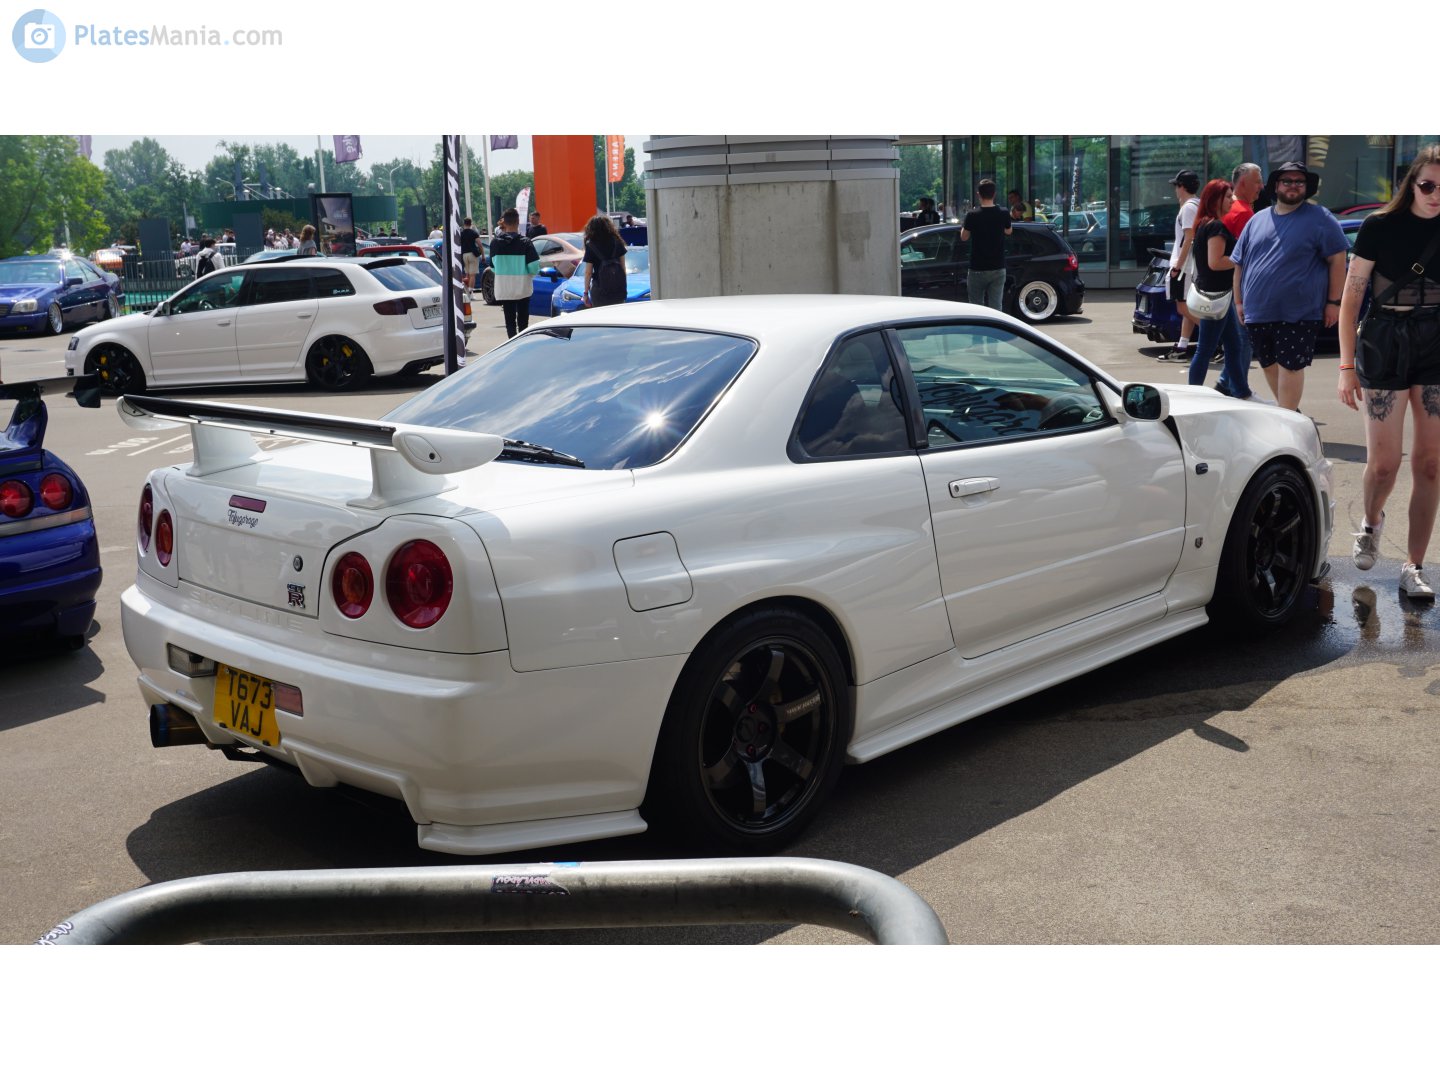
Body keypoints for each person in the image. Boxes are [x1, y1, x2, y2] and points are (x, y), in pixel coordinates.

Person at [1338, 144, 1440, 599]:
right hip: (1383, 342)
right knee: (1382, 465)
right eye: (1428, 185)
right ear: (1412, 183)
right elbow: (1352, 297)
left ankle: (1414, 566)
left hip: (1435, 343)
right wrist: (1345, 366)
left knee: (1431, 464)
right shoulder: (1380, 227)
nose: (1435, 194)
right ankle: (1371, 523)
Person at [1232, 161, 1348, 412]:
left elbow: (1338, 260)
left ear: (1307, 187)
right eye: (1287, 181)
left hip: (1299, 312)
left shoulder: (1321, 218)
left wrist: (1333, 302)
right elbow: (1239, 264)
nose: (1293, 186)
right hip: (1257, 312)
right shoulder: (1257, 220)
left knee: (1291, 366)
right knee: (1269, 364)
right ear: (1276, 186)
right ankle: (1291, 415)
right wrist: (1239, 302)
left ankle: (1287, 422)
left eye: (1299, 181)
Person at [1186, 179, 1266, 401]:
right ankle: (1193, 395)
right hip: (1216, 297)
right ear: (1216, 199)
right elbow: (1215, 262)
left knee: (1234, 344)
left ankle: (1241, 392)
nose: (1233, 200)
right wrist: (1242, 258)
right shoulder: (1216, 226)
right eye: (1228, 196)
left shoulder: (1204, 223)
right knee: (1206, 349)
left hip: (1218, 295)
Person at [1214, 163, 1264, 395]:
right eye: (1257, 182)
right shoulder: (1243, 213)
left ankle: (1228, 382)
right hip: (1237, 287)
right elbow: (1248, 256)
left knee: (1236, 339)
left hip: (1223, 286)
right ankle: (1236, 386)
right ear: (1243, 183)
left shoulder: (1231, 210)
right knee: (1242, 339)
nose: (1261, 187)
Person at [1160, 170, 1201, 362]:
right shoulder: (1194, 205)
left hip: (1185, 267)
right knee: (1188, 308)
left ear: (1182, 187)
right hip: (1189, 266)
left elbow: (1189, 238)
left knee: (1183, 308)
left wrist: (1178, 264)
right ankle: (1182, 347)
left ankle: (1222, 340)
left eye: (1176, 185)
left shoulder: (1189, 208)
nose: (1175, 189)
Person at [960, 178, 1012, 310]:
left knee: (977, 308)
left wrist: (964, 224)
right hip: (998, 267)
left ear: (978, 194)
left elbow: (964, 237)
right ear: (994, 194)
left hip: (977, 267)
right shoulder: (1003, 212)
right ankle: (996, 329)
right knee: (996, 306)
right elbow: (1009, 231)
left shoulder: (972, 215)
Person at [489, 207, 542, 337]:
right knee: (523, 323)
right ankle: (523, 347)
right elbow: (534, 267)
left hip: (505, 288)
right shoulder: (526, 243)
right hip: (523, 288)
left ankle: (512, 346)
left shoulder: (495, 243)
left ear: (504, 223)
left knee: (510, 322)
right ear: (518, 221)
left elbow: (493, 267)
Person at [582, 213, 628, 308]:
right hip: (618, 290)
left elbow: (588, 273)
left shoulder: (591, 245)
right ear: (609, 227)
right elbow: (623, 268)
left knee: (601, 320)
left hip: (600, 291)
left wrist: (586, 293)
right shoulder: (617, 241)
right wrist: (624, 287)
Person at [459, 217, 480, 291]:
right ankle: (470, 292)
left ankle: (466, 290)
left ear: (464, 223)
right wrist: (482, 254)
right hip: (473, 254)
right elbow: (479, 244)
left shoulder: (460, 234)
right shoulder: (474, 233)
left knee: (467, 274)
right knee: (472, 275)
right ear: (471, 223)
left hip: (464, 255)